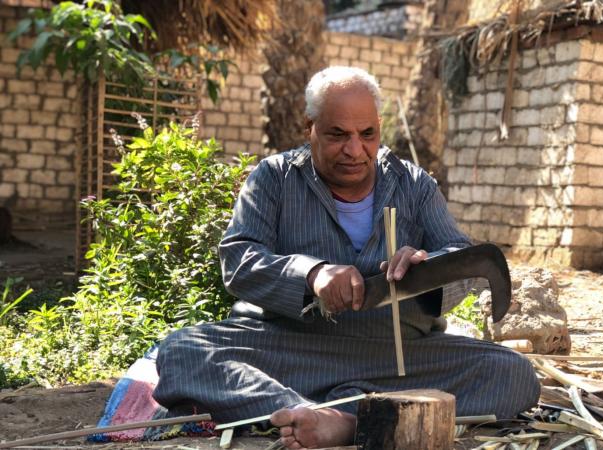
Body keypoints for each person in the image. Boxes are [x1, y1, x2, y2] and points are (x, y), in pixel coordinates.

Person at [153, 66, 540, 449]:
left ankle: (346, 422)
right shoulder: (274, 177)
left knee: (512, 374)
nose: (355, 150)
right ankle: (306, 412)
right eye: (338, 134)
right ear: (311, 126)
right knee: (183, 352)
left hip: (397, 357)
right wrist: (310, 274)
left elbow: (460, 257)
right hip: (293, 348)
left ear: (379, 127)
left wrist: (428, 267)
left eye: (367, 134)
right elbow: (238, 259)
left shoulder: (414, 184)